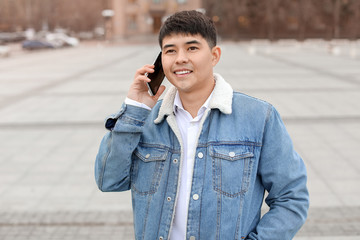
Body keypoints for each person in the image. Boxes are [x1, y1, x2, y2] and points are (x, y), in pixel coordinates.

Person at [95, 10, 309, 240]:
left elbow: (291, 197)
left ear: (214, 55)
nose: (180, 59)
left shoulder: (258, 117)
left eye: (192, 48)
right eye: (170, 51)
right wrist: (134, 110)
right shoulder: (144, 121)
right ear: (160, 61)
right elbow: (109, 180)